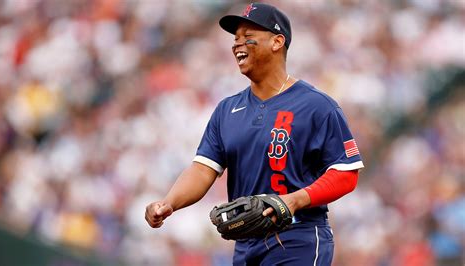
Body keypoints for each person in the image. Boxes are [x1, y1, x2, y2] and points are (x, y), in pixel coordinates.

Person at [145, 3, 364, 265]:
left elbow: (346, 173)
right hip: (245, 243)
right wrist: (170, 202)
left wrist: (295, 200)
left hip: (298, 237)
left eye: (248, 37)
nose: (237, 44)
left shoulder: (316, 106)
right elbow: (203, 169)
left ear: (276, 41)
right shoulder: (227, 109)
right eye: (235, 39)